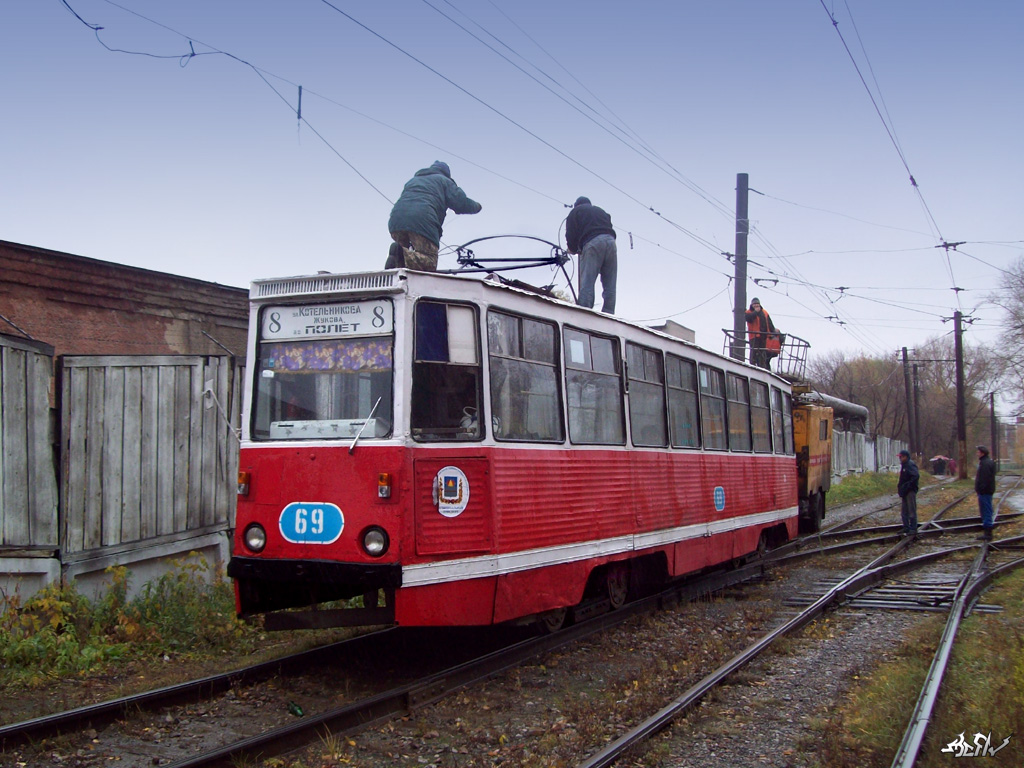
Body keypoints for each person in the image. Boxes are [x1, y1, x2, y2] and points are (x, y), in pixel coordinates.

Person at [387, 161, 481, 272]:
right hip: (422, 220)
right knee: (429, 262)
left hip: (396, 220)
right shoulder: (444, 181)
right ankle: (402, 254)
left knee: (401, 265)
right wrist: (477, 207)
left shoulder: (412, 181)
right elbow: (461, 203)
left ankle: (400, 257)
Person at [565, 196, 617, 313]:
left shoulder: (575, 212)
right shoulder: (601, 211)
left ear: (576, 205)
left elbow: (570, 235)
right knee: (610, 284)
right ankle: (609, 314)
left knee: (587, 282)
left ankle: (585, 313)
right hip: (611, 242)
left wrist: (572, 249)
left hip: (593, 243)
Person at [744, 298, 776, 370]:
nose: (756, 305)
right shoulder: (748, 312)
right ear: (752, 305)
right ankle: (752, 364)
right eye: (754, 304)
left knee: (762, 352)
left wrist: (773, 332)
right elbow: (748, 319)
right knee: (754, 350)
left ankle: (762, 366)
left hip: (763, 335)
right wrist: (755, 312)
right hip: (754, 336)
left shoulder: (764, 312)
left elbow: (769, 323)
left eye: (757, 304)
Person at [975, 445, 996, 540]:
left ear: (982, 453)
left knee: (986, 510)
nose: (977, 453)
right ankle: (987, 531)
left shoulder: (985, 464)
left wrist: (981, 489)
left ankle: (988, 532)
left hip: (985, 491)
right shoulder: (987, 462)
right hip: (986, 491)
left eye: (978, 452)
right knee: (986, 509)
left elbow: (985, 478)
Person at [897, 449, 919, 536]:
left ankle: (913, 528)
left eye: (901, 457)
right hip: (905, 491)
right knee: (904, 510)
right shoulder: (905, 465)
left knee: (911, 510)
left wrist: (907, 486)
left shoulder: (910, 465)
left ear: (905, 457)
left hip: (910, 491)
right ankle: (906, 527)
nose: (900, 458)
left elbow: (915, 476)